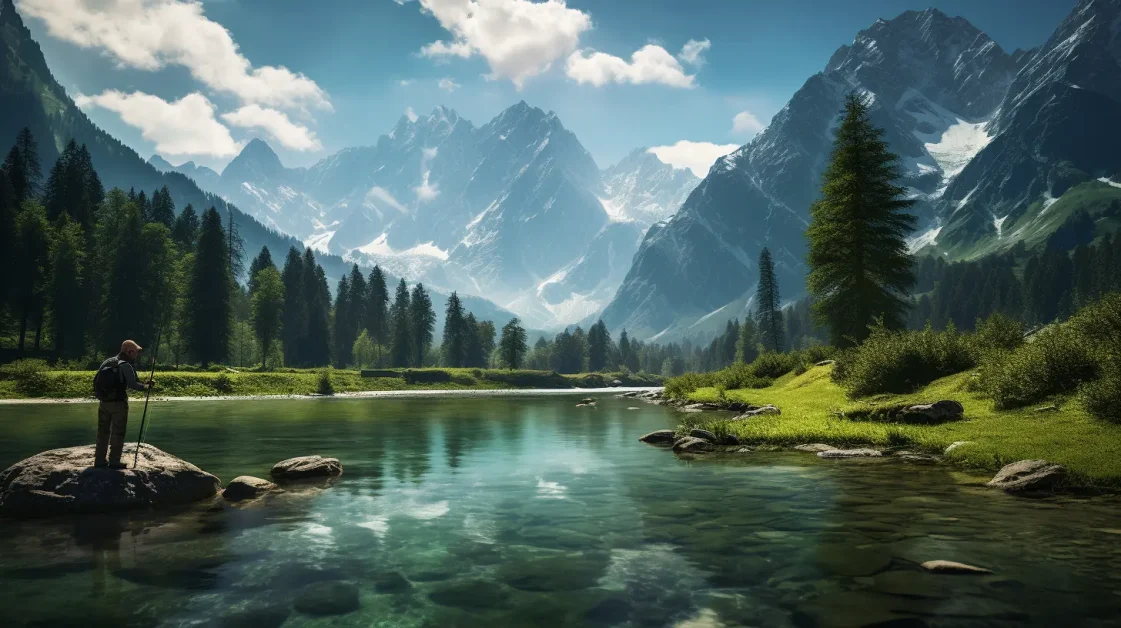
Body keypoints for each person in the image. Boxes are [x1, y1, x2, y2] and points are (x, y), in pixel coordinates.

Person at [93, 340, 153, 469]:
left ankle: (99, 461)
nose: (136, 355)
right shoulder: (125, 365)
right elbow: (133, 385)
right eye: (135, 352)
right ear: (129, 351)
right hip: (119, 404)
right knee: (118, 432)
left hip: (103, 403)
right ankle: (114, 461)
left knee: (102, 432)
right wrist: (147, 387)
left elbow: (96, 380)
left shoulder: (107, 362)